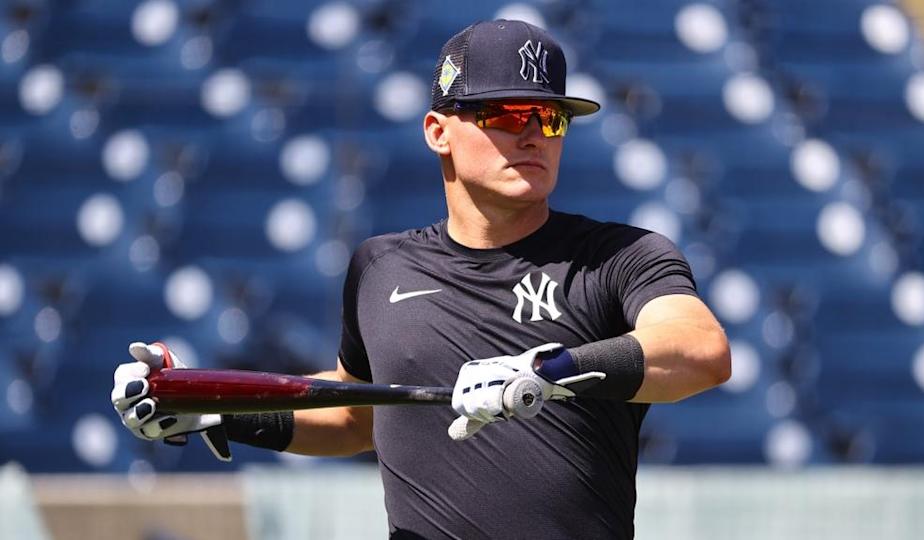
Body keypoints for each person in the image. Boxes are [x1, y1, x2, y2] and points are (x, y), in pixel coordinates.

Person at [112, 19, 731, 539]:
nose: (531, 134)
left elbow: (700, 350)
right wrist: (222, 412)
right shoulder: (379, 266)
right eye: (507, 112)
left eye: (550, 118)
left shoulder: (619, 255)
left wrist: (548, 373)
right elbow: (357, 413)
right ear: (439, 130)